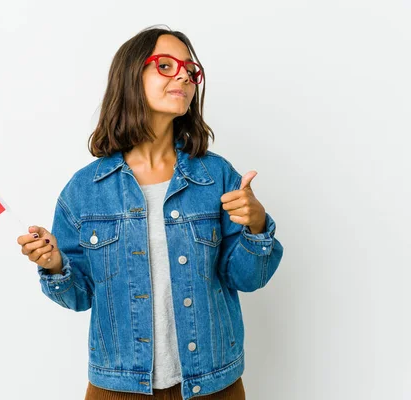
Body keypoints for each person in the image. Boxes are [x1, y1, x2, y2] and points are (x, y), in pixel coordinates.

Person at [17, 26, 284, 400]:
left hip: (213, 386)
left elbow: (247, 278)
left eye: (191, 71)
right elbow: (79, 297)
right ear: (130, 77)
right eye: (165, 65)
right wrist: (54, 264)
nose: (183, 76)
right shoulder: (84, 190)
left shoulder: (217, 176)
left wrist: (256, 225)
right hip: (119, 388)